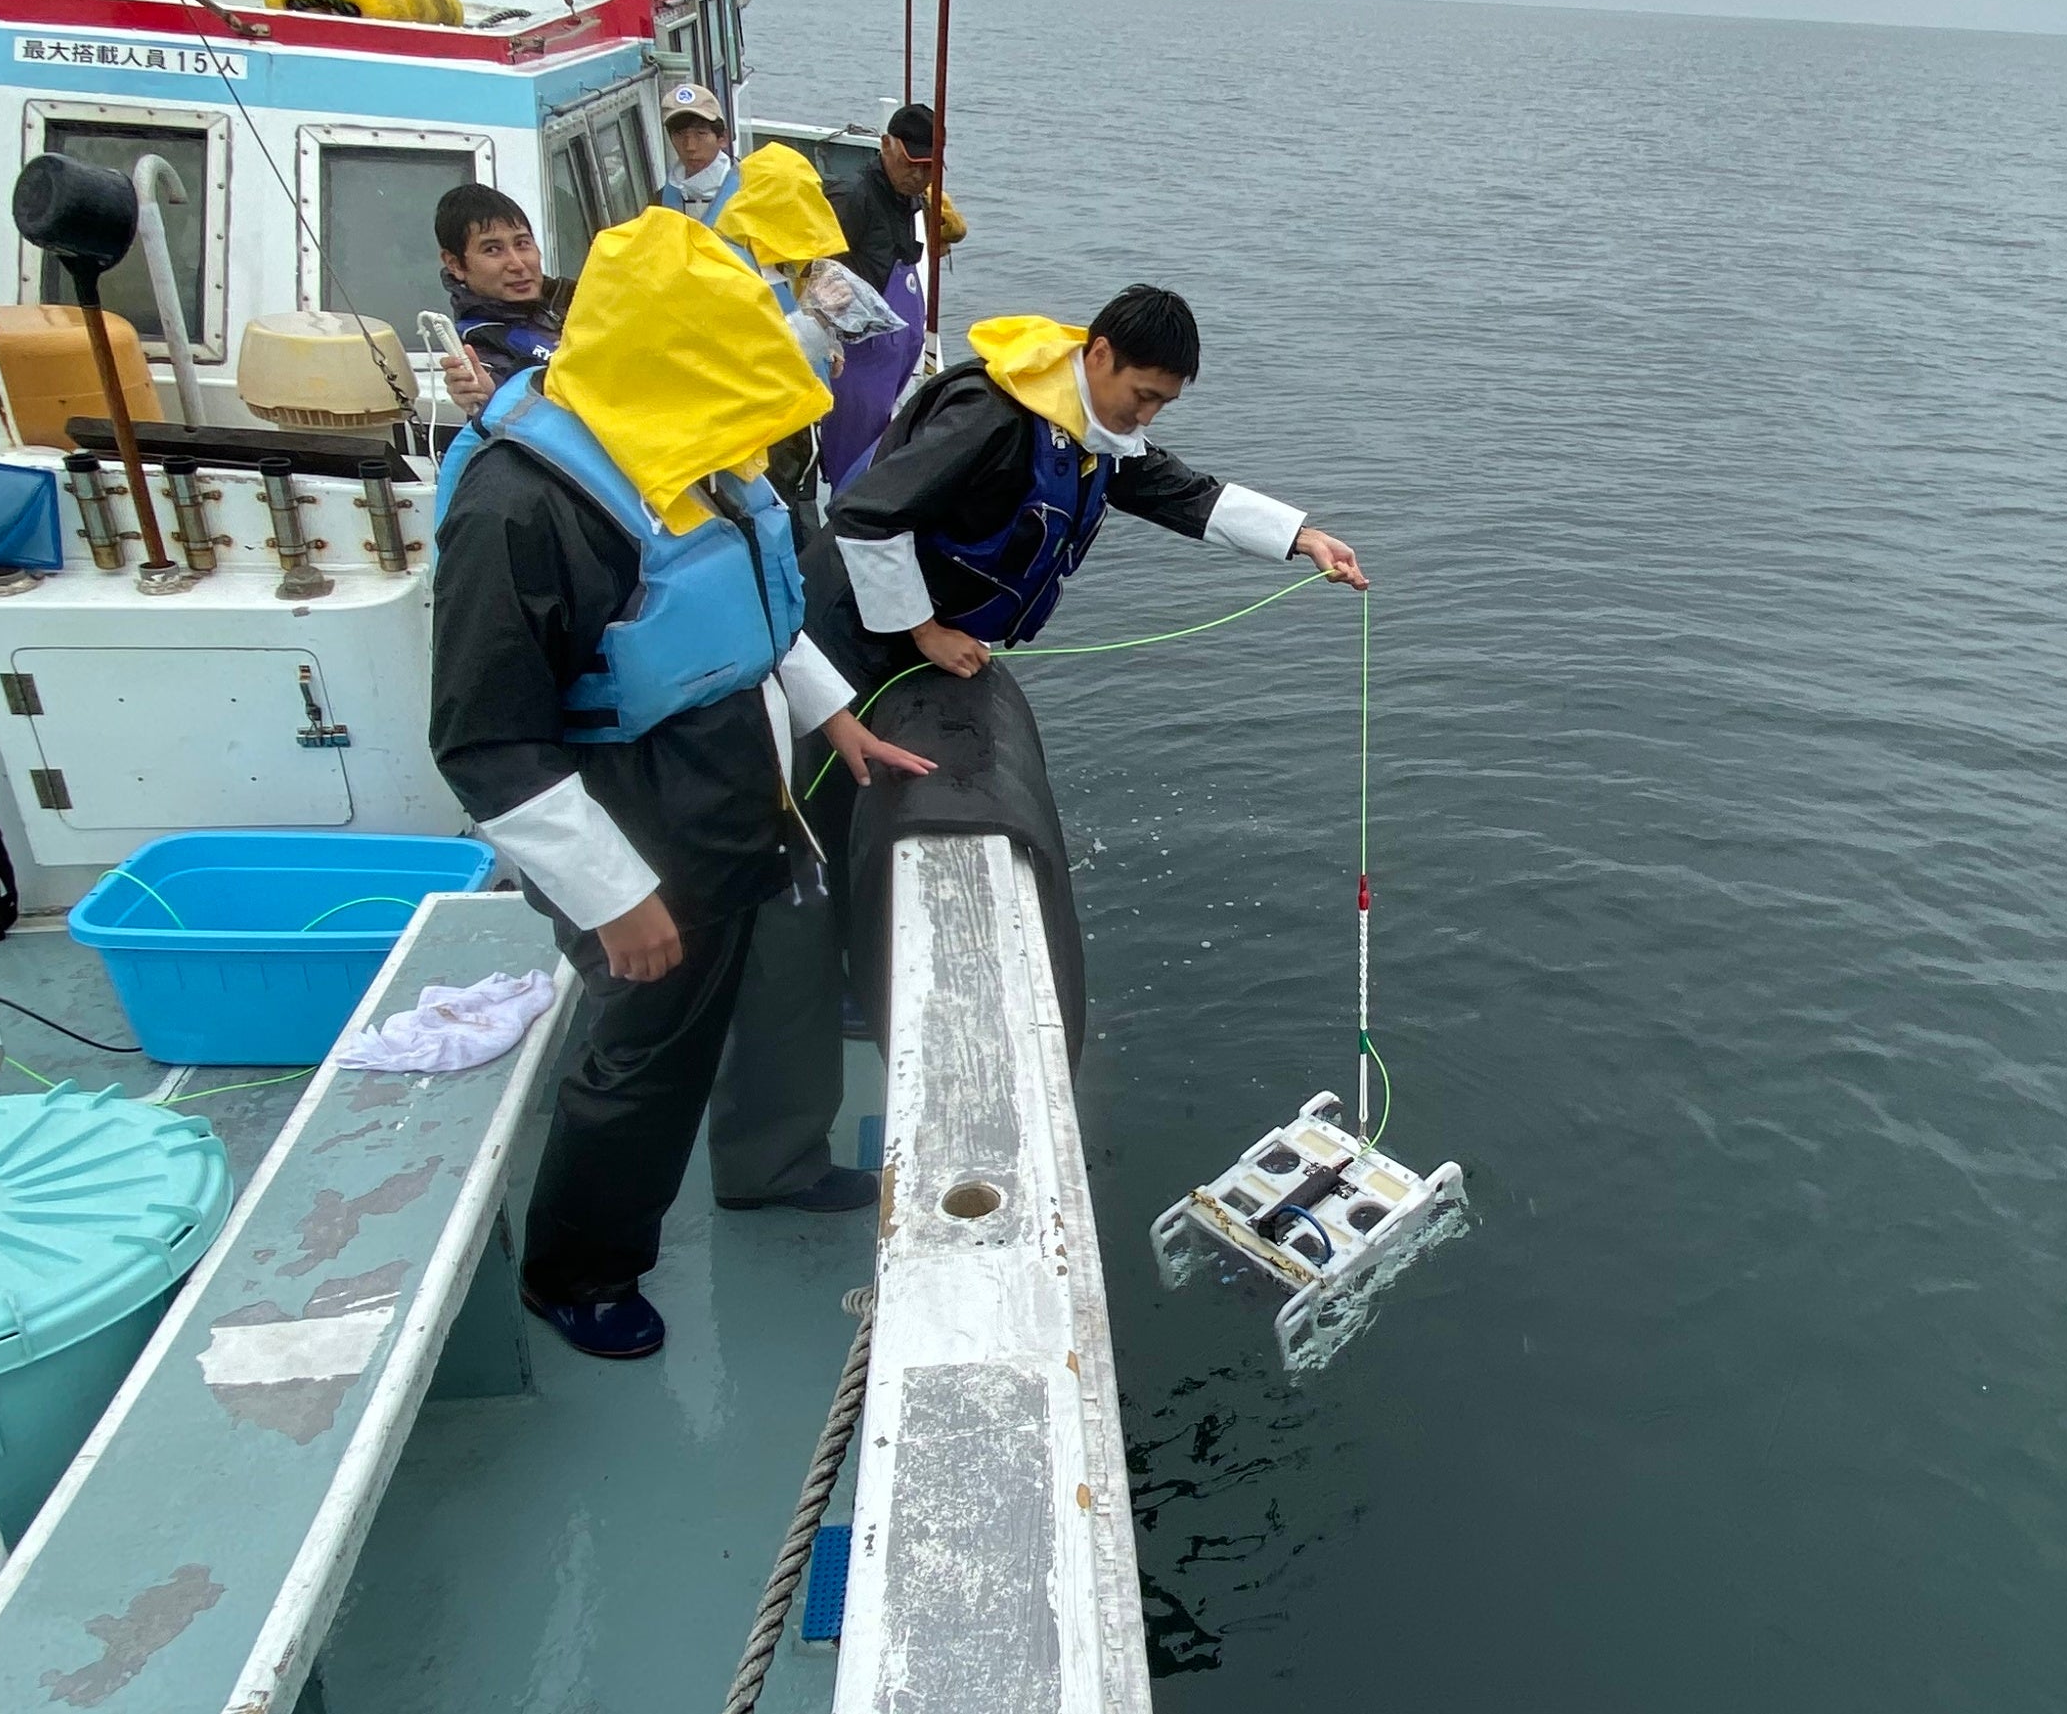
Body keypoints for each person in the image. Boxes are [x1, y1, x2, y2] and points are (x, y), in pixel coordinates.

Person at [428, 203, 933, 1361]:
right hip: (628, 820)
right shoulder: (519, 508)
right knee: (647, 1054)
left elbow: (744, 609)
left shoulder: (694, 456)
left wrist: (832, 715)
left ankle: (772, 1165)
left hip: (744, 791)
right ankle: (582, 1268)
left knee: (777, 990)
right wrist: (613, 895)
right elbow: (484, 741)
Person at [812, 282, 1366, 700]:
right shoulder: (990, 417)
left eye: (1162, 404)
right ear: (1099, 354)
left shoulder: (1095, 432)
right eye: (1142, 395)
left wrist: (1303, 537)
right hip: (854, 624)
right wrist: (926, 632)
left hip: (924, 631)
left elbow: (1181, 492)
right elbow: (866, 517)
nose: (1146, 416)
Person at [809, 103, 967, 493]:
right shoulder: (852, 197)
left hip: (891, 365)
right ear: (886, 146)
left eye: (929, 167)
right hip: (857, 361)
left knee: (877, 452)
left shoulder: (911, 198)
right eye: (911, 163)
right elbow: (817, 277)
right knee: (849, 466)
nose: (919, 175)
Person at [433, 182, 567, 411]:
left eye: (522, 243)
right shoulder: (479, 348)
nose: (517, 264)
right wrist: (490, 400)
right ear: (454, 264)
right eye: (492, 249)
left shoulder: (571, 298)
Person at [658, 81, 737, 223]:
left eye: (700, 133)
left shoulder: (748, 191)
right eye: (680, 134)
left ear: (723, 138)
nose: (690, 146)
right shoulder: (659, 201)